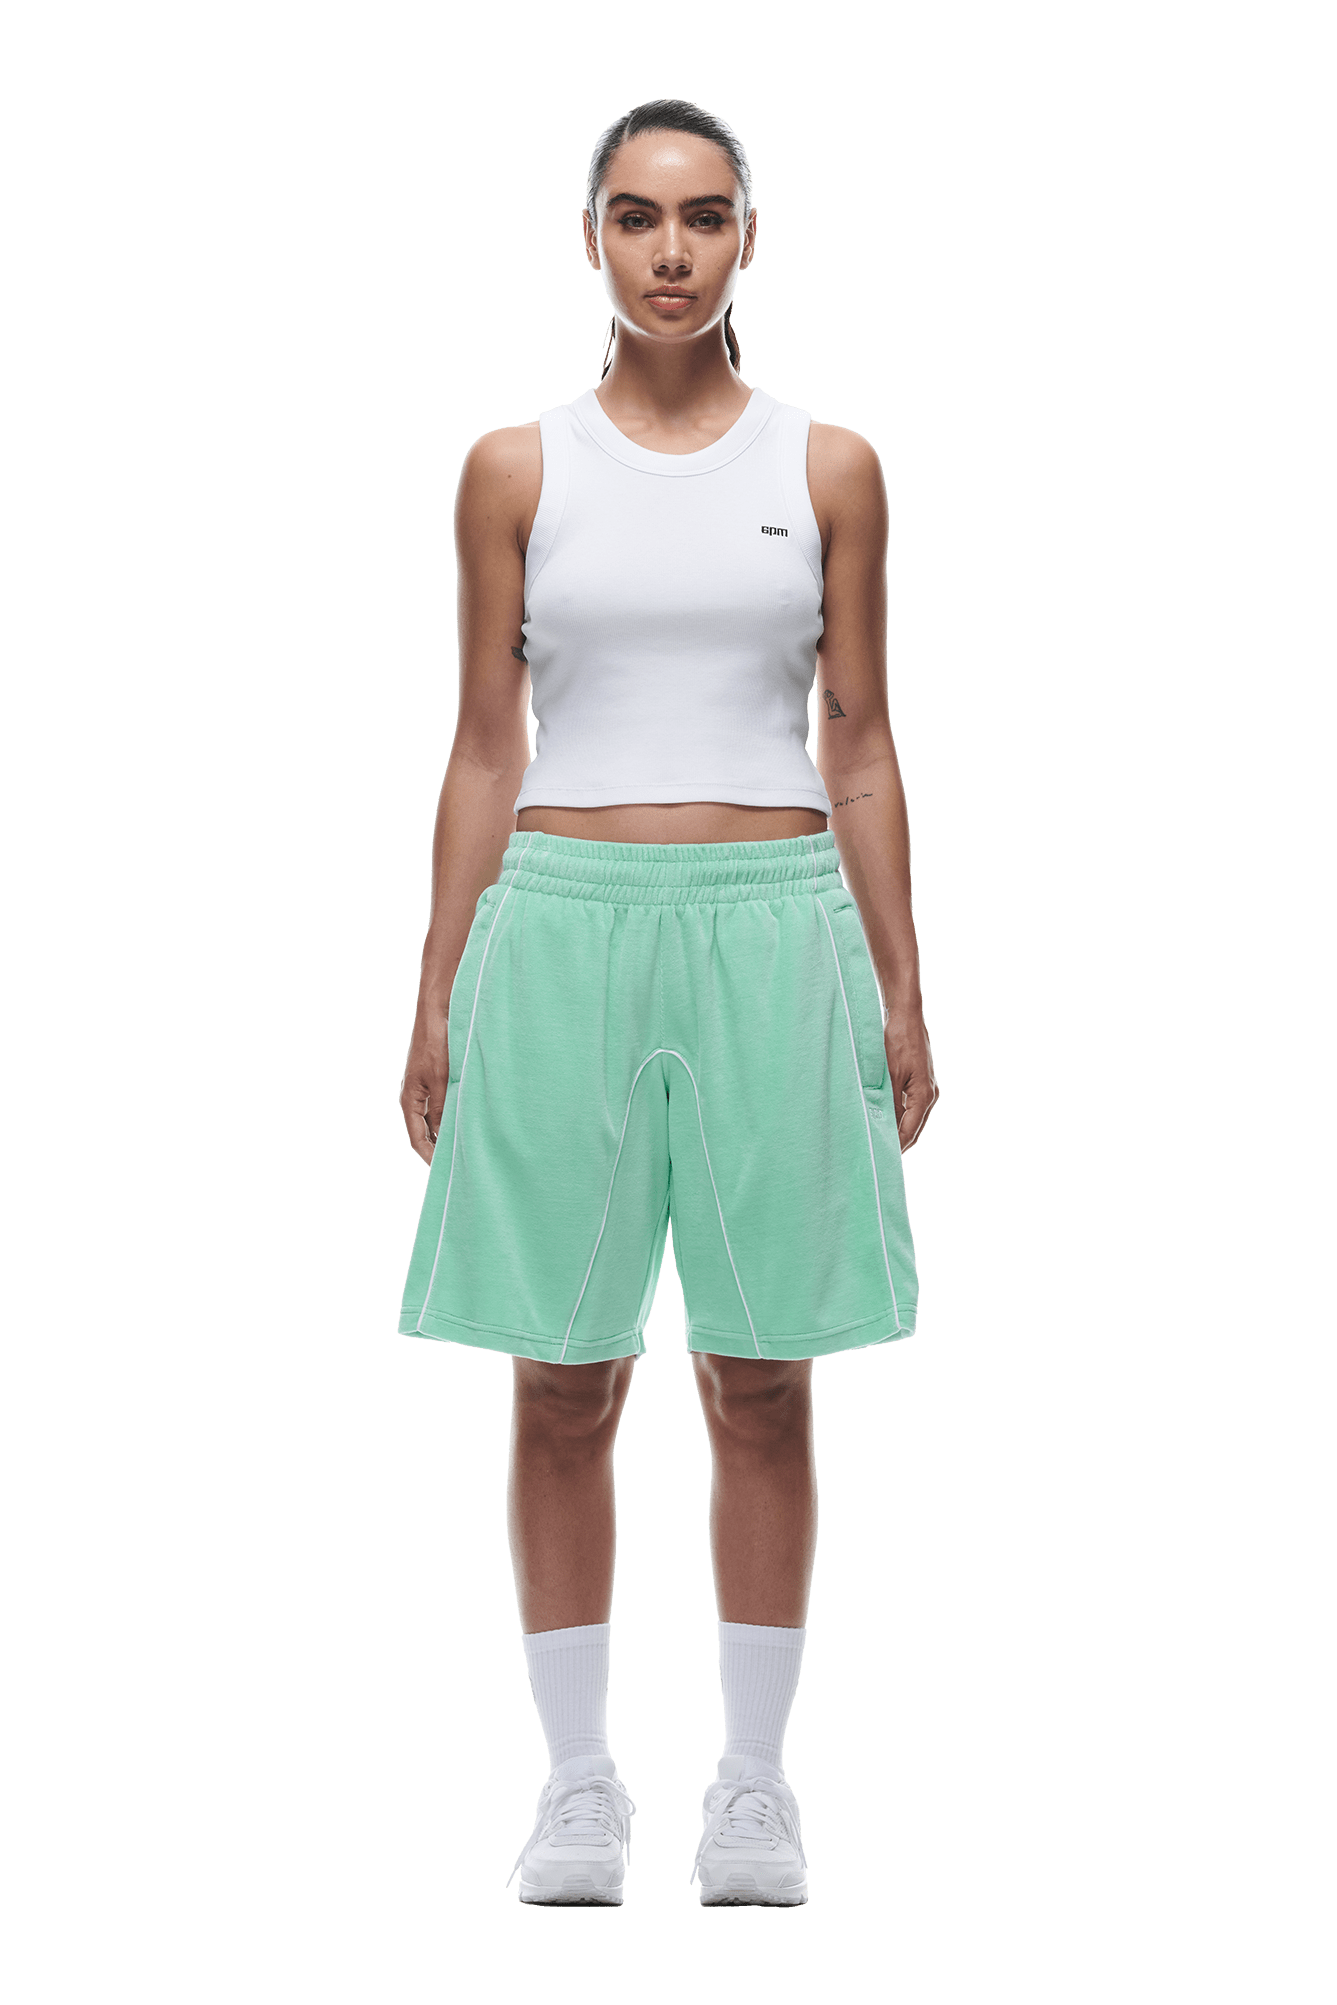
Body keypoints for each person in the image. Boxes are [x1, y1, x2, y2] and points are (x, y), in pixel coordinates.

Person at [397, 99, 938, 1909]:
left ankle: (754, 1790)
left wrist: (902, 982)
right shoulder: (515, 469)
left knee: (761, 1371)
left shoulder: (830, 466)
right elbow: (487, 746)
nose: (672, 250)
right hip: (562, 923)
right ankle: (577, 1790)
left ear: (749, 237)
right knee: (563, 1374)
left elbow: (859, 741)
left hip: (774, 923)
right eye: (637, 217)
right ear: (593, 238)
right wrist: (437, 987)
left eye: (704, 216)